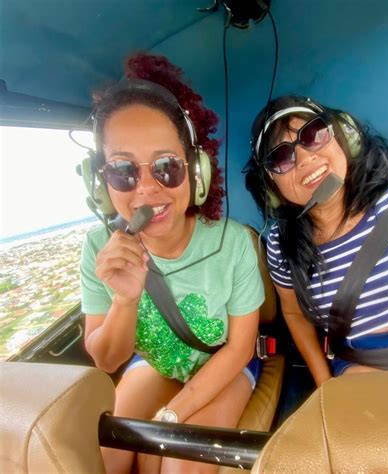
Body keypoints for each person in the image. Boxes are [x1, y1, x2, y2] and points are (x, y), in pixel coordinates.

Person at [80, 52, 264, 474]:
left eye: (166, 166)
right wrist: (124, 300)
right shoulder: (99, 248)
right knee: (99, 459)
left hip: (225, 364)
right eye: (123, 170)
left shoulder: (232, 242)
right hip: (156, 365)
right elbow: (106, 361)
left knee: (177, 466)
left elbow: (239, 347)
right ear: (101, 183)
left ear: (195, 171)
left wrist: (170, 417)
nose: (146, 189)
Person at [244, 95, 388, 386]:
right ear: (270, 184)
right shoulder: (282, 244)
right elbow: (294, 313)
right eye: (281, 157)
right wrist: (324, 382)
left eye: (313, 135)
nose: (304, 159)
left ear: (344, 135)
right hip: (370, 364)